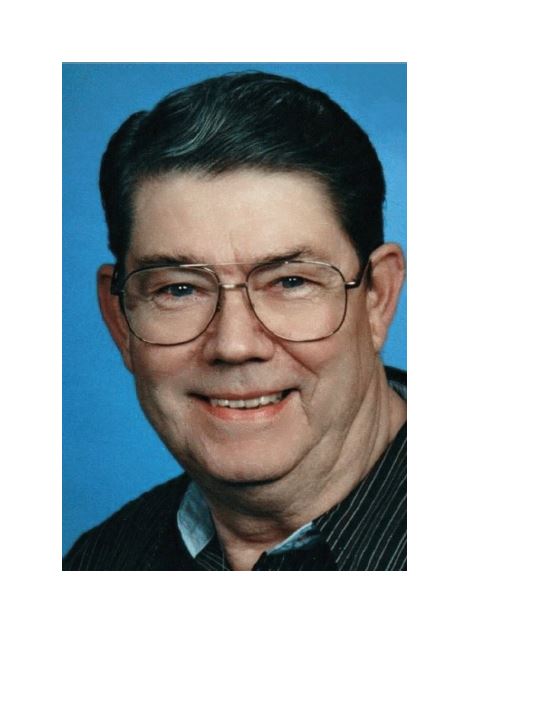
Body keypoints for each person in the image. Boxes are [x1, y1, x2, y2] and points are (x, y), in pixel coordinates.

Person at [63, 71, 406, 571]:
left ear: (378, 296)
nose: (234, 344)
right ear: (120, 318)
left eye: (290, 281)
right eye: (179, 289)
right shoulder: (98, 564)